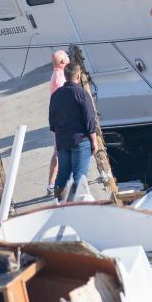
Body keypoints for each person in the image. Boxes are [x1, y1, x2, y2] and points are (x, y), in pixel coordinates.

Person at [48, 62, 98, 199]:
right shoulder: (81, 93)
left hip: (63, 141)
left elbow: (52, 121)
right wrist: (94, 140)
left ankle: (58, 203)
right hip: (80, 140)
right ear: (78, 75)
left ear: (65, 76)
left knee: (63, 174)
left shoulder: (55, 96)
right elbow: (89, 118)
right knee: (79, 176)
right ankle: (77, 207)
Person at [47, 49, 70, 186]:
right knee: (59, 151)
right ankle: (54, 183)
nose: (69, 58)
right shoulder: (61, 78)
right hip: (62, 120)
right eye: (67, 57)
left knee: (58, 151)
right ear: (62, 61)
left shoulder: (56, 75)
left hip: (57, 118)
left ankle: (52, 183)